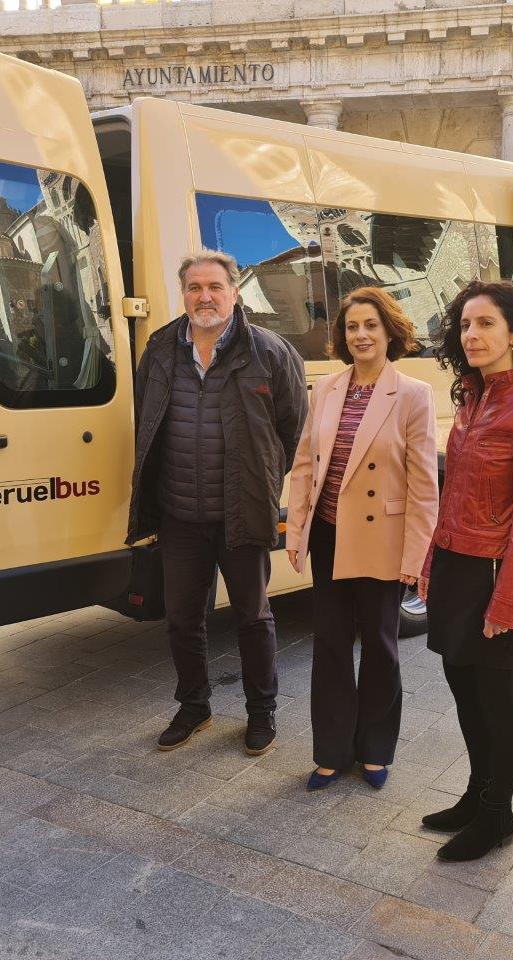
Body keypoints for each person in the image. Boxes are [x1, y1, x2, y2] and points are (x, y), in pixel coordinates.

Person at [127, 250, 307, 756]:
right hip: (180, 516)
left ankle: (261, 713)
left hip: (242, 514)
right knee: (183, 619)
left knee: (253, 617)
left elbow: (294, 431)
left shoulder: (270, 351)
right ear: (183, 293)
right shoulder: (161, 349)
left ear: (234, 291)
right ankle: (194, 707)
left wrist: (261, 479)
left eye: (214, 287)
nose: (204, 297)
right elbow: (147, 420)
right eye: (194, 288)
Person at [418, 280, 513, 862]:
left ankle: (497, 814)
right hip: (457, 564)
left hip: (494, 573)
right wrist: (431, 560)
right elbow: (453, 491)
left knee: (497, 697)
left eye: (485, 324)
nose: (472, 335)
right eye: (465, 325)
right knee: (464, 688)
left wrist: (507, 601)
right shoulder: (475, 397)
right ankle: (476, 794)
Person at [284, 287, 437, 792]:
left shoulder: (412, 393)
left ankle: (374, 751)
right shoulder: (326, 389)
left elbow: (424, 484)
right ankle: (332, 752)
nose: (361, 335)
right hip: (330, 535)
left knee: (380, 645)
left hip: (383, 537)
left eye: (371, 325)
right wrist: (297, 531)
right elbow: (305, 466)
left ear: (390, 332)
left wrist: (416, 554)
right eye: (352, 327)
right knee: (329, 644)